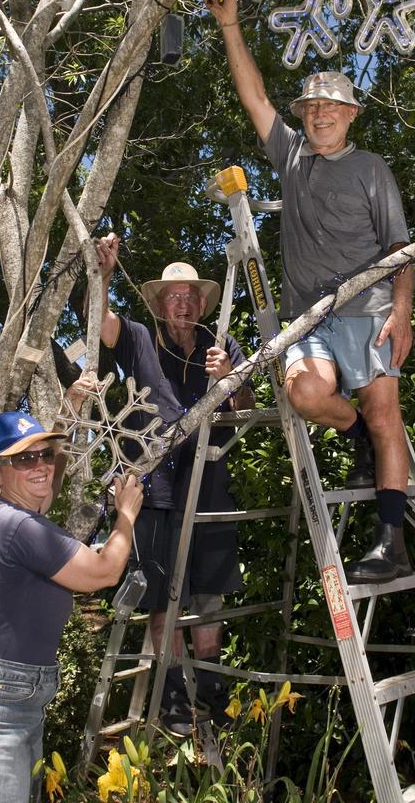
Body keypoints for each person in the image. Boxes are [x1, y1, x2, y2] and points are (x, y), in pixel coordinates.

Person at [205, 0, 414, 583]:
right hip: (309, 318)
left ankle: (391, 540)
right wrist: (229, 24)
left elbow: (402, 249)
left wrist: (401, 313)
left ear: (350, 114)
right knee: (304, 394)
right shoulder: (292, 158)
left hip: (370, 309)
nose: (320, 114)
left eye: (332, 107)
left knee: (386, 416)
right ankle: (353, 439)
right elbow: (253, 96)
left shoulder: (373, 169)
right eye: (311, 107)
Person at [0, 406, 143, 803]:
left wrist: (63, 423)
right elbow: (105, 572)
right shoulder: (19, 526)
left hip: (1, 701)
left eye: (44, 453)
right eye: (24, 458)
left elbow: (45, 486)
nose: (40, 465)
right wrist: (125, 515)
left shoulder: (4, 516)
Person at [93, 232, 254, 735]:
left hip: (208, 486)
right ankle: (173, 700)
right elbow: (100, 324)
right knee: (163, 602)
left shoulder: (220, 341)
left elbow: (244, 408)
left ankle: (211, 693)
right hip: (156, 490)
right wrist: (101, 273)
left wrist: (229, 377)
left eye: (190, 298)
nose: (182, 305)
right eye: (172, 297)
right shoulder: (141, 338)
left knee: (209, 601)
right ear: (160, 304)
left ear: (202, 304)